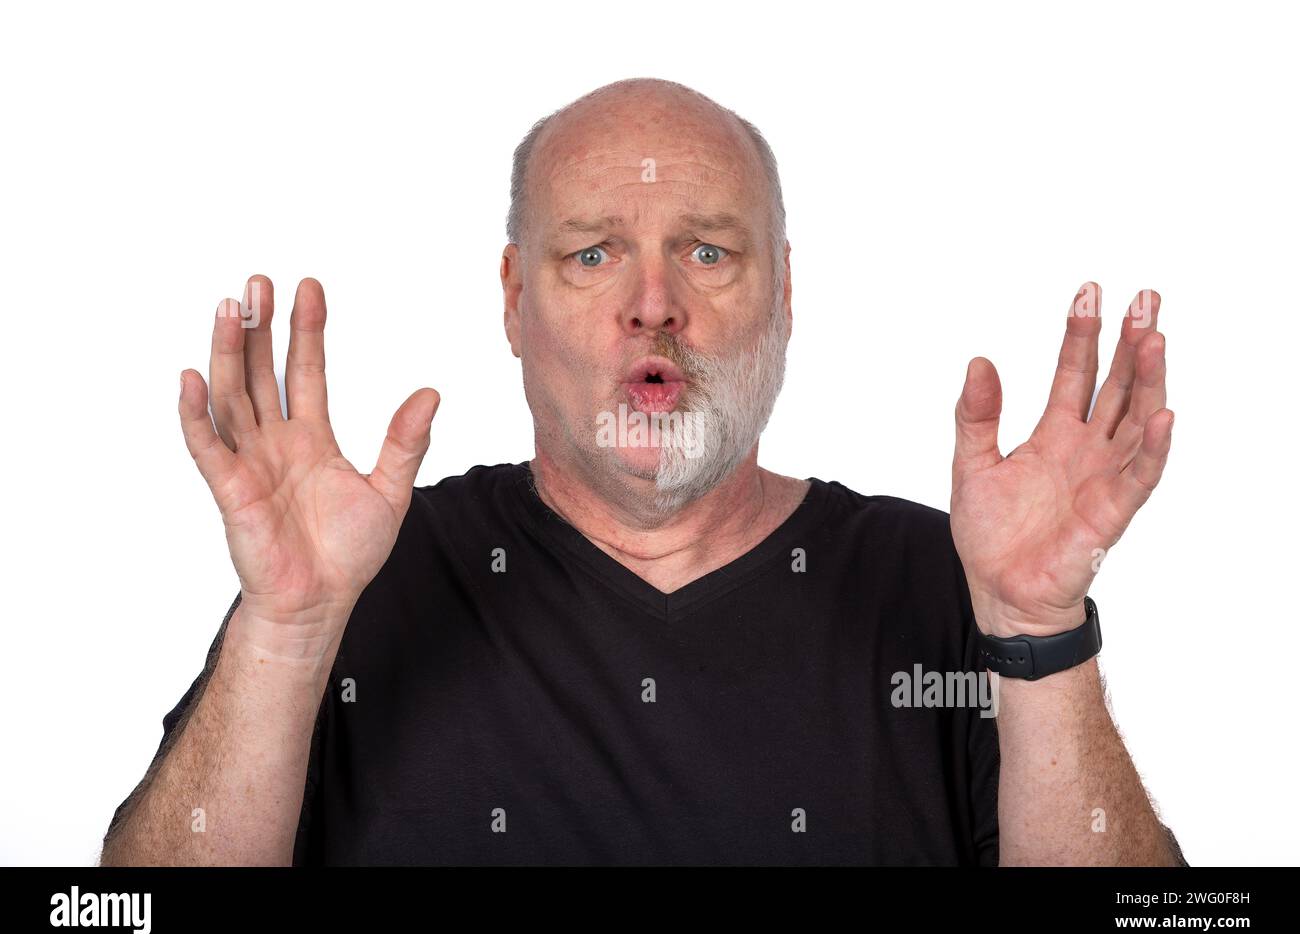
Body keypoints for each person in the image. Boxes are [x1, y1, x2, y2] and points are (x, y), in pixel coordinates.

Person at [100, 77, 1185, 866]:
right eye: (592, 252)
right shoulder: (360, 578)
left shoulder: (944, 582)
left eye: (709, 250)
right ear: (514, 299)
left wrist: (1035, 626)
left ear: (785, 296)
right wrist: (286, 628)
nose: (653, 301)